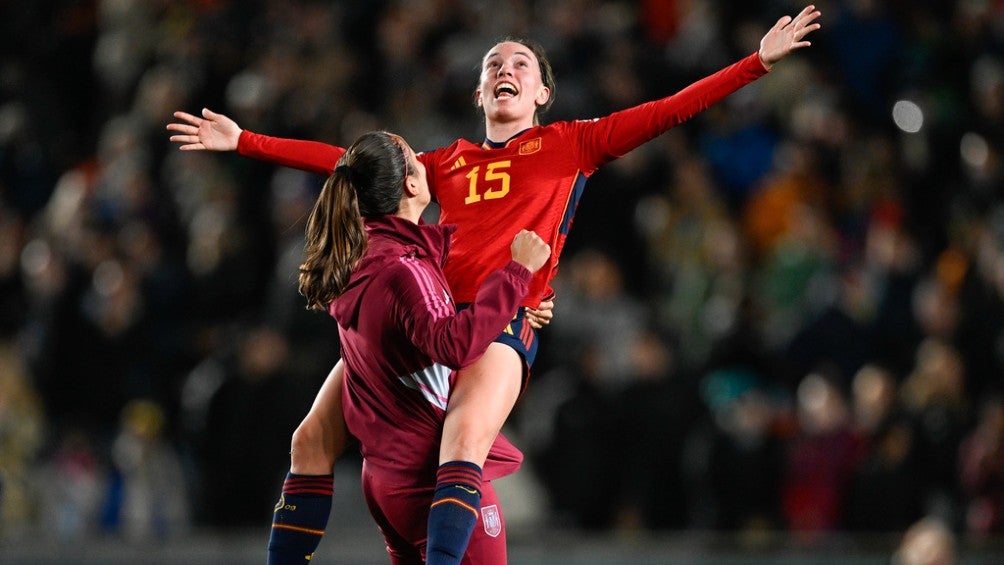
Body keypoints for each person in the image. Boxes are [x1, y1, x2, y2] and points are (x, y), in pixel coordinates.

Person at [167, 6, 821, 562]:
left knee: (463, 441)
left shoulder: (574, 144)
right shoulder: (440, 162)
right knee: (309, 439)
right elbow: (349, 164)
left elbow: (670, 111)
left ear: (542, 95)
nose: (504, 70)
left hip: (495, 322)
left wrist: (756, 61)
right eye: (492, 66)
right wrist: (246, 140)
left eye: (520, 65)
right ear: (479, 94)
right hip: (414, 318)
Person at [293, 129, 550, 563]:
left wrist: (517, 304)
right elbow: (454, 344)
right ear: (412, 184)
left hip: (385, 479)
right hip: (431, 481)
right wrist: (517, 274)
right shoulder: (404, 269)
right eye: (416, 156)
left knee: (310, 439)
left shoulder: (366, 257)